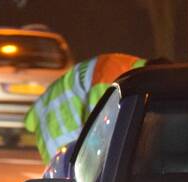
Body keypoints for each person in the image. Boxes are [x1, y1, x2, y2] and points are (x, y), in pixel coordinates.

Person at [25, 53, 166, 162]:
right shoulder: (114, 82)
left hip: (63, 116)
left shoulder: (129, 72)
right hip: (58, 121)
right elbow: (98, 132)